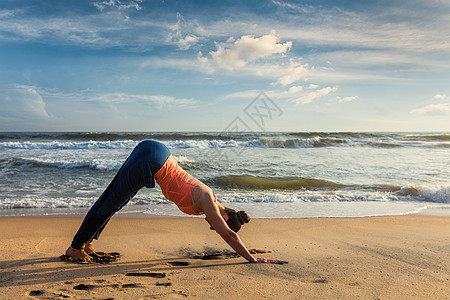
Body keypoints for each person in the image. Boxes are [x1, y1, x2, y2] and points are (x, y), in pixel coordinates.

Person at [66, 140, 278, 263]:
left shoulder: (209, 197)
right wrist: (252, 259)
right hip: (152, 162)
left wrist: (246, 249)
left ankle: (86, 242)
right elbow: (229, 235)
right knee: (111, 204)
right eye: (217, 226)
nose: (213, 228)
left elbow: (229, 234)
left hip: (155, 151)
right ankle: (75, 248)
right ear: (224, 217)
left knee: (113, 201)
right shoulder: (208, 202)